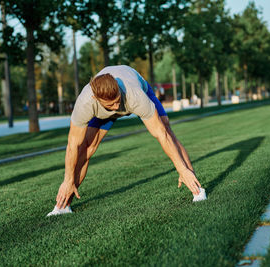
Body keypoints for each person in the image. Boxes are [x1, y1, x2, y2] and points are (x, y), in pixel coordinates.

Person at [47, 65, 206, 216]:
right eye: (111, 105)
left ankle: (196, 190)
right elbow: (73, 145)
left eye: (117, 100)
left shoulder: (134, 95)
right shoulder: (85, 103)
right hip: (101, 112)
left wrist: (181, 169)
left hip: (138, 90)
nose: (117, 107)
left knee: (167, 131)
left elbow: (161, 135)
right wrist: (68, 180)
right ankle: (63, 206)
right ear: (96, 98)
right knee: (86, 148)